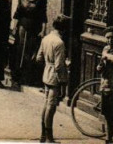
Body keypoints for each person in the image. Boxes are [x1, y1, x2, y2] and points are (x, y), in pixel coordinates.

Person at [36, 15, 69, 143]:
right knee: (51, 106)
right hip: (55, 77)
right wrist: (63, 81)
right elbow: (59, 66)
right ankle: (49, 138)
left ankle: (43, 135)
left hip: (46, 74)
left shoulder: (46, 38)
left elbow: (39, 57)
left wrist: (48, 63)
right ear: (63, 29)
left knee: (46, 104)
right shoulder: (59, 43)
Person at [11, 0, 46, 86]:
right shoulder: (21, 0)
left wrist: (43, 30)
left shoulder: (38, 1)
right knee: (20, 52)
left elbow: (43, 17)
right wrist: (14, 28)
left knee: (31, 52)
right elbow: (16, 15)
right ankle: (18, 77)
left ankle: (29, 78)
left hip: (34, 30)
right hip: (22, 29)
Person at [98, 26, 113, 143]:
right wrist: (99, 66)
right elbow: (101, 63)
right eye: (108, 38)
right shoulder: (105, 48)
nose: (110, 40)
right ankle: (108, 137)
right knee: (107, 112)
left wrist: (107, 56)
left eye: (112, 38)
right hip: (106, 84)